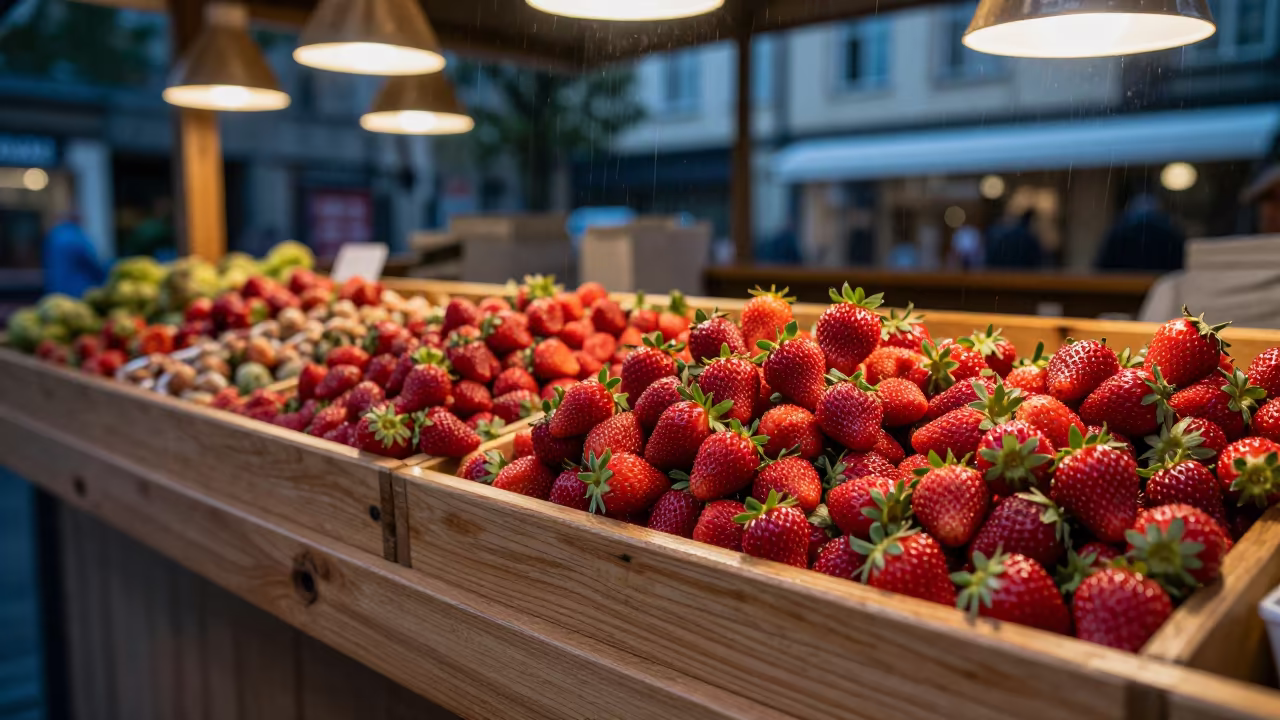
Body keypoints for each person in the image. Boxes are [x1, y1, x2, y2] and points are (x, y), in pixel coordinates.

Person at [1095, 193, 1186, 271]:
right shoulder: (1170, 234)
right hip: (1162, 285)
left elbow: (1101, 268)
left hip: (1122, 286)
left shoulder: (1120, 232)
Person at [43, 213, 105, 297]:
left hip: (56, 290)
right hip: (78, 291)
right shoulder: (78, 237)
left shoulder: (54, 236)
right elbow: (93, 264)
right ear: (78, 221)